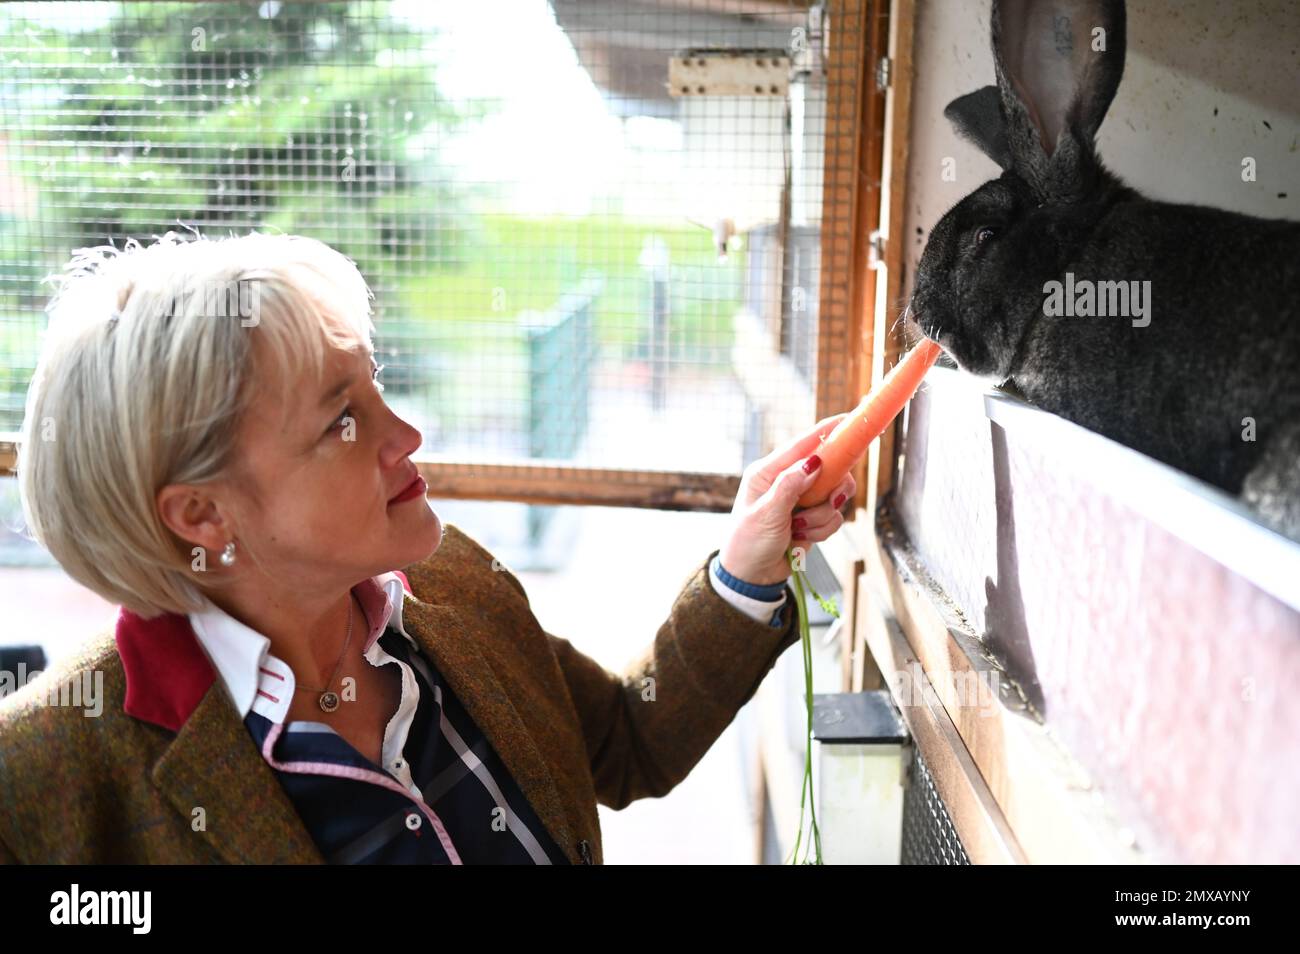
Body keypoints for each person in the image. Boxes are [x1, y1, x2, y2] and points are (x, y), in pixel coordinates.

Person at [0, 230, 854, 864]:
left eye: (376, 388)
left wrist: (744, 566)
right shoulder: (44, 777)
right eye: (342, 420)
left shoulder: (451, 585)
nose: (406, 434)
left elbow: (624, 744)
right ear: (201, 516)